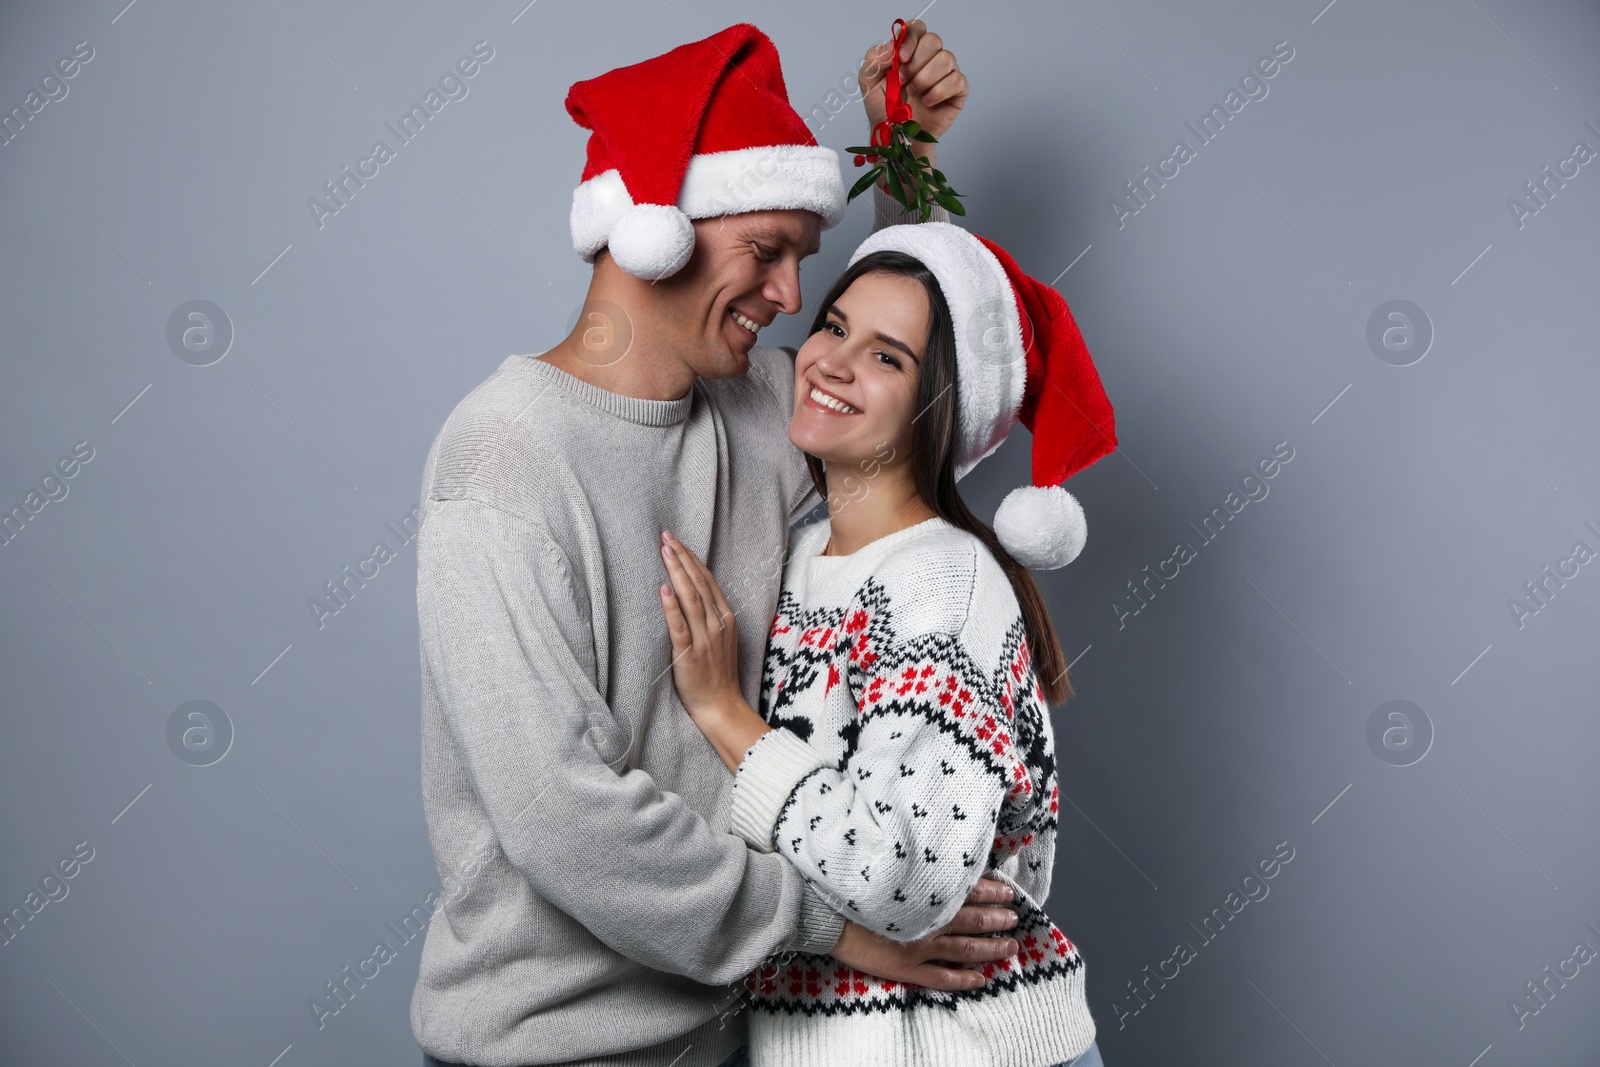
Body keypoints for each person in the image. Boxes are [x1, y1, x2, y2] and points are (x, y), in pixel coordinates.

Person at [410, 21, 1025, 1067]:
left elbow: (909, 404)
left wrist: (903, 160)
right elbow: (564, 816)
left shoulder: (746, 412)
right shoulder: (501, 461)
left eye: (802, 260)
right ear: (656, 229)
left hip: (727, 1029)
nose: (792, 298)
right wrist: (838, 926)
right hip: (553, 1049)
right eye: (766, 251)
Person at [654, 218, 1118, 1066]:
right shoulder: (796, 554)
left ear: (939, 407)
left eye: (887, 357)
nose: (830, 361)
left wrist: (726, 714)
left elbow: (903, 878)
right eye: (833, 327)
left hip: (965, 1048)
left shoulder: (944, 584)